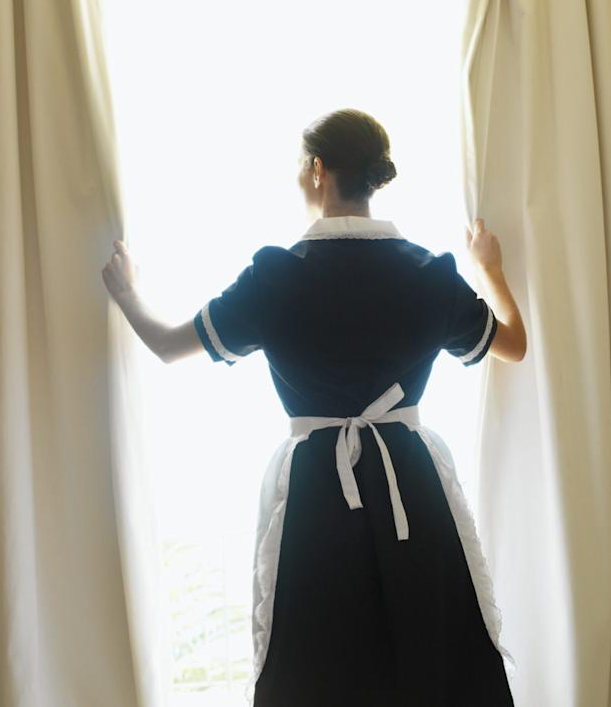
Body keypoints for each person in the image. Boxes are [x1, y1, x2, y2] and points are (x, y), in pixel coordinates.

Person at [101, 108, 526, 706]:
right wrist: (491, 270)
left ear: (318, 170)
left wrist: (127, 294)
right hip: (412, 488)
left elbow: (170, 346)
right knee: (431, 654)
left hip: (318, 492)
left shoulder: (275, 276)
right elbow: (514, 344)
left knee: (320, 663)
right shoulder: (430, 273)